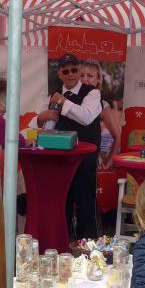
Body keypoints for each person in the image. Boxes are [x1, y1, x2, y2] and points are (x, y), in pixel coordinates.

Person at [37, 53, 102, 239]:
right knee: (62, 202)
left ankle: (87, 245)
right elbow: (47, 126)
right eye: (66, 71)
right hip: (60, 158)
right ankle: (62, 242)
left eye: (74, 69)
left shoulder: (92, 93)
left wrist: (62, 101)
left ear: (79, 70)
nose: (71, 74)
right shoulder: (53, 95)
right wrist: (42, 119)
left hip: (85, 159)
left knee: (85, 202)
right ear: (59, 74)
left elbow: (85, 117)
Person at [79, 59, 123, 168]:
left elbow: (117, 137)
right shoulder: (71, 101)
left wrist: (106, 164)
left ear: (98, 79)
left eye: (90, 76)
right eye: (82, 75)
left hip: (89, 164)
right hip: (69, 162)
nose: (85, 79)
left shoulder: (102, 105)